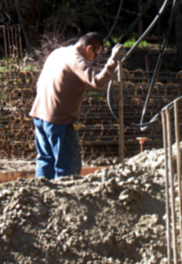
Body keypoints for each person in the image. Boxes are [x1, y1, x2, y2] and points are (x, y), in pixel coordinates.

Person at [30, 32, 125, 179]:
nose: (94, 59)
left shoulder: (58, 53)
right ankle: (66, 199)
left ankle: (42, 198)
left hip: (39, 115)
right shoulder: (76, 60)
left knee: (45, 160)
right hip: (59, 121)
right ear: (89, 48)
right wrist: (113, 60)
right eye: (95, 54)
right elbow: (97, 82)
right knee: (68, 166)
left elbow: (39, 82)